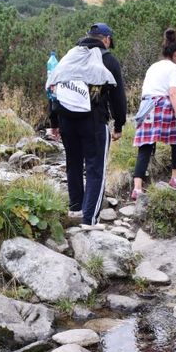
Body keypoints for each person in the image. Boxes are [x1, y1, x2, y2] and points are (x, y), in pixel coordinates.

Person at [49, 23, 126, 226]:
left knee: (73, 164)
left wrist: (54, 122)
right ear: (107, 39)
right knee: (94, 168)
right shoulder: (108, 59)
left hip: (66, 120)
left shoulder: (71, 56)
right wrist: (119, 125)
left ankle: (75, 209)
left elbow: (54, 89)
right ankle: (89, 220)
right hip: (93, 122)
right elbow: (118, 97)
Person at [130, 28, 176, 199]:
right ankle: (175, 178)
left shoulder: (153, 67)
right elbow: (173, 93)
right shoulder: (173, 68)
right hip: (162, 104)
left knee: (145, 145)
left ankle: (137, 188)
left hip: (146, 105)